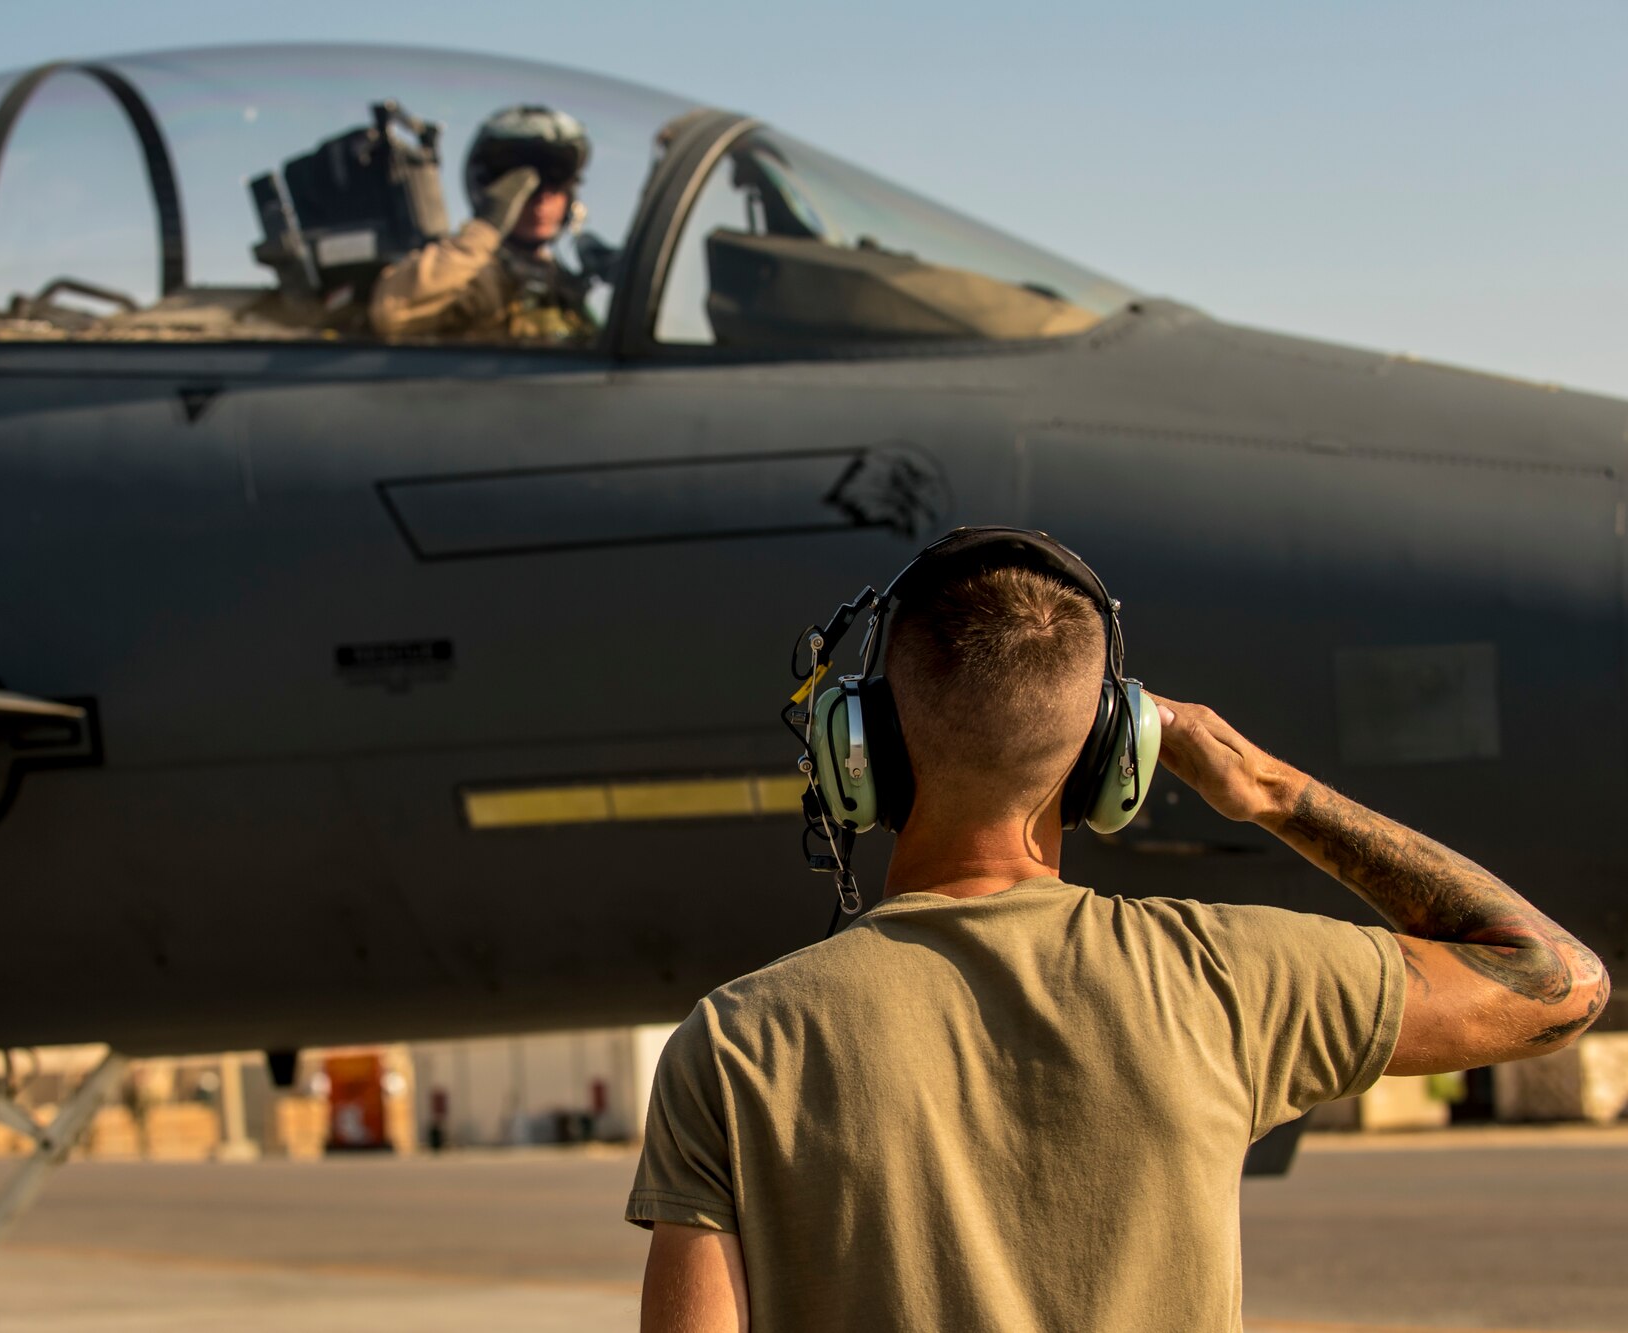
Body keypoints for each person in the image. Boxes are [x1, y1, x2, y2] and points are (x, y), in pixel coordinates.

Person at [627, 530, 1609, 1332]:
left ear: (862, 749)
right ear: (1113, 754)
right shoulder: (1225, 982)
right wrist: (1270, 791)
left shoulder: (737, 1044)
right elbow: (1555, 978)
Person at [368, 105, 595, 343]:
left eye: (556, 182)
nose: (543, 199)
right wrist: (487, 225)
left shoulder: (562, 285)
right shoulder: (475, 275)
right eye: (528, 186)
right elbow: (394, 313)